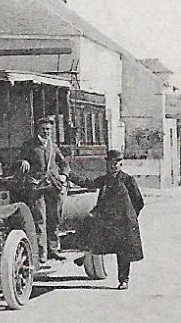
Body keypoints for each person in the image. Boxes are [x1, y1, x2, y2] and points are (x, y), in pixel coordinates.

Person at [78, 149, 144, 289]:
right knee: (92, 233)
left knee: (124, 252)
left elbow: (138, 201)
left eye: (116, 163)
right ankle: (85, 254)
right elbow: (88, 183)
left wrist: (131, 216)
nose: (113, 166)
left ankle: (124, 280)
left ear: (121, 164)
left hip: (124, 222)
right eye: (110, 163)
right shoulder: (105, 180)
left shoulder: (127, 180)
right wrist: (69, 175)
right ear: (107, 164)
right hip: (108, 221)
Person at [18, 117, 68, 260]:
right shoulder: (29, 145)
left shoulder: (53, 146)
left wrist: (63, 175)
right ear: (38, 130)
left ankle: (53, 249)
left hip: (53, 185)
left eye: (49, 129)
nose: (46, 132)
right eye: (44, 129)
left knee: (54, 218)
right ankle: (42, 252)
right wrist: (24, 161)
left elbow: (64, 163)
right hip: (37, 186)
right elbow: (19, 159)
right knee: (40, 219)